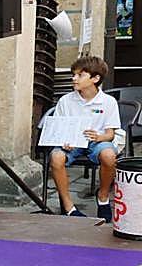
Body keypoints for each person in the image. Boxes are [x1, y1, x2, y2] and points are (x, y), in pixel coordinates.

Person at [49, 55, 120, 221]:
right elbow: (59, 129)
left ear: (95, 78)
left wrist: (99, 136)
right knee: (56, 156)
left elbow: (111, 134)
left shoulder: (108, 102)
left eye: (80, 75)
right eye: (73, 74)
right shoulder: (65, 101)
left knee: (109, 155)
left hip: (98, 142)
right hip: (71, 144)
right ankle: (69, 207)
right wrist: (64, 142)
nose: (74, 78)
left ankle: (102, 197)